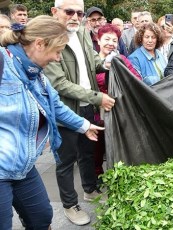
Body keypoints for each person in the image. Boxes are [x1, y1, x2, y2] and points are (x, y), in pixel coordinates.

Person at [0, 15, 103, 230]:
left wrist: (84, 126)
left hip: (23, 166)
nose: (58, 58)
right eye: (57, 51)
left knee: (42, 217)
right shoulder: (3, 64)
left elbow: (55, 105)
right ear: (39, 44)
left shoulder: (37, 75)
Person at [45, 0, 116, 226]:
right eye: (69, 11)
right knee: (66, 160)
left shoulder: (83, 32)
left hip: (87, 105)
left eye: (80, 12)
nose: (75, 16)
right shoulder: (50, 39)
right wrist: (97, 97)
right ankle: (69, 205)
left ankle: (90, 189)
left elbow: (91, 60)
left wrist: (105, 63)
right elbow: (59, 83)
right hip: (65, 110)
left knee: (87, 152)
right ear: (55, 12)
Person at [94, 24, 141, 178]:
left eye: (114, 40)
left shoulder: (122, 59)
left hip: (120, 109)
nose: (111, 43)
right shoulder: (93, 61)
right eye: (107, 39)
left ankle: (121, 174)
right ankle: (97, 176)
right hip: (99, 110)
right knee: (97, 147)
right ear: (98, 41)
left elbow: (136, 79)